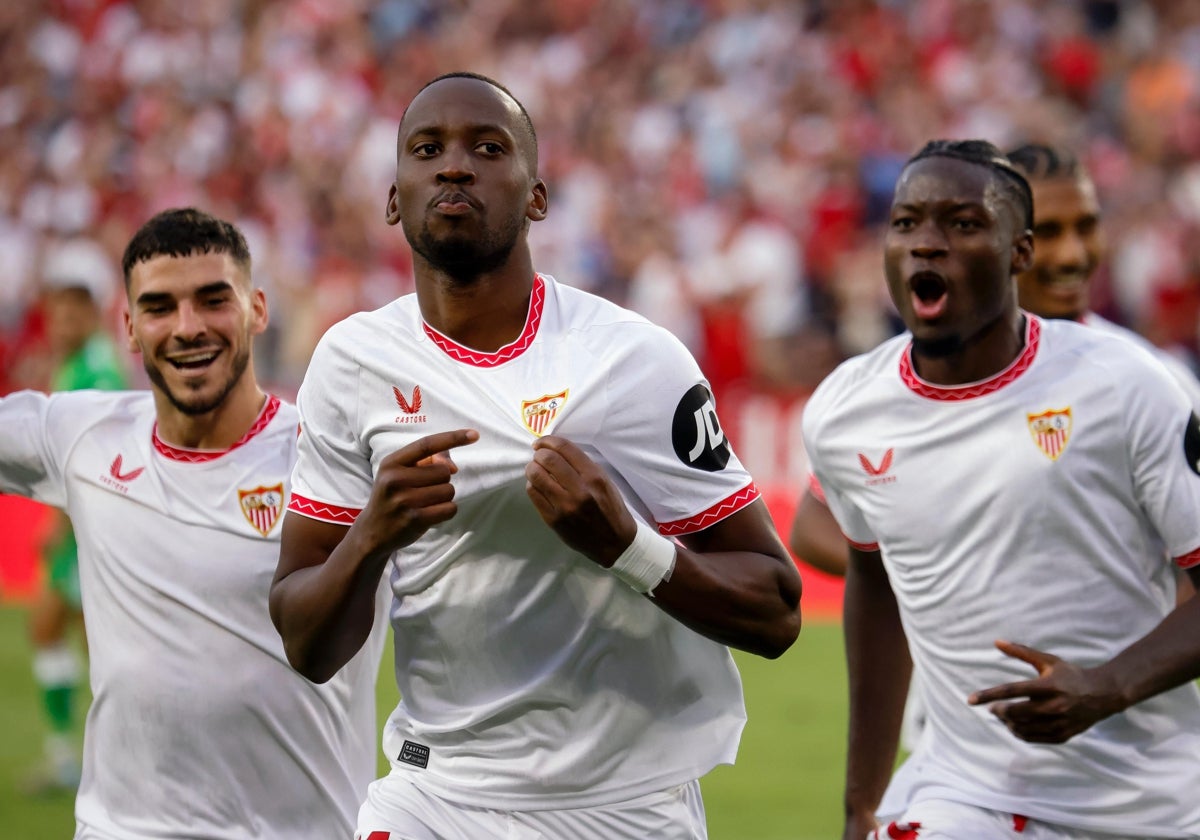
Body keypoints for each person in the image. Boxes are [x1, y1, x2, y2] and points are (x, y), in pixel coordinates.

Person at [269, 72, 803, 840]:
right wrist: (370, 537)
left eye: (488, 148)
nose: (455, 166)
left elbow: (778, 610)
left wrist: (629, 547)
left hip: (626, 804)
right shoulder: (352, 363)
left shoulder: (634, 362)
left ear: (537, 198)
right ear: (393, 197)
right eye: (428, 150)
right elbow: (304, 642)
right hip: (435, 795)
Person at [803, 139, 1200, 839]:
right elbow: (872, 579)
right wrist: (861, 800)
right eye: (906, 223)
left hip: (1149, 805)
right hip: (964, 794)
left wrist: (1106, 688)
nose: (927, 244)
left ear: (1020, 253)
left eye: (961, 224)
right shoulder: (845, 411)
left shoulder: (1130, 386)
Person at [0, 207, 387, 839]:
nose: (187, 327)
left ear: (257, 308)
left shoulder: (335, 460)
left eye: (213, 300)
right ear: (128, 326)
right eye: (158, 307)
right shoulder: (80, 437)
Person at [24, 239, 129, 794]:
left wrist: (56, 526)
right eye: (56, 306)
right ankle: (83, 759)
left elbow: (87, 461)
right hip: (83, 532)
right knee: (66, 635)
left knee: (98, 649)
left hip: (87, 533)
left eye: (74, 308)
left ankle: (99, 762)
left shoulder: (98, 371)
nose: (62, 317)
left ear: (95, 311)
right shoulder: (82, 365)